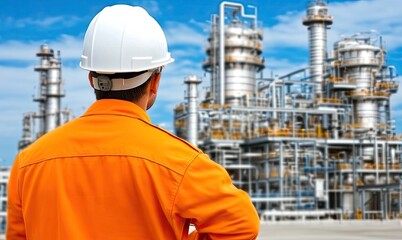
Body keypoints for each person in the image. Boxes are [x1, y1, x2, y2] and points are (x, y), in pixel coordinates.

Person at [7, 4, 259, 240]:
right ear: (155, 82)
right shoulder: (180, 163)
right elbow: (241, 224)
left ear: (92, 78)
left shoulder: (27, 163)